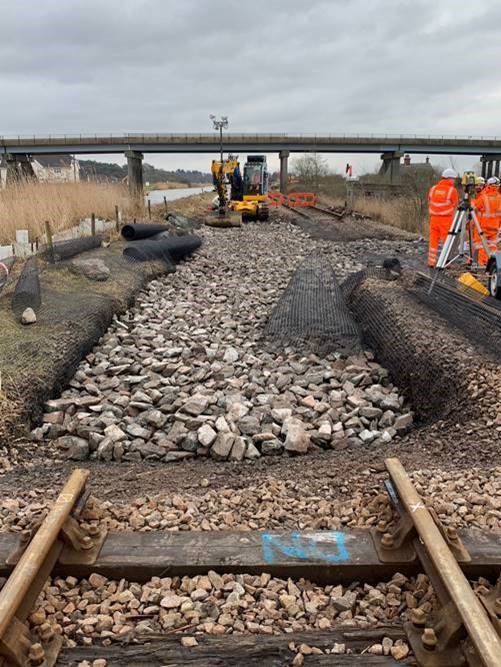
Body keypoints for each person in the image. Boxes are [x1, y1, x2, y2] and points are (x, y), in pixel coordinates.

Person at [427, 168, 459, 267]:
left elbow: (429, 201)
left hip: (433, 219)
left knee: (433, 241)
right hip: (445, 220)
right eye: (453, 179)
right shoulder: (452, 190)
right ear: (449, 178)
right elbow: (456, 204)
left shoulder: (433, 189)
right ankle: (446, 262)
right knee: (447, 242)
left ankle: (431, 262)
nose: (454, 181)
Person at [473, 176, 501, 265]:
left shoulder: (484, 197)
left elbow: (474, 208)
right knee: (492, 245)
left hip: (484, 227)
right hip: (495, 227)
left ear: (488, 185)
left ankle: (482, 264)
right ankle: (493, 265)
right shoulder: (500, 198)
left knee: (481, 246)